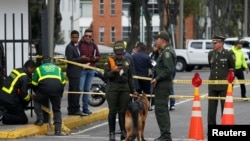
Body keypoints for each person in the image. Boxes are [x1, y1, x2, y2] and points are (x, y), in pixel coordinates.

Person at [104, 40, 137, 141]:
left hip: (124, 89)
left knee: (123, 112)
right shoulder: (109, 61)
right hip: (113, 88)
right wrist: (113, 71)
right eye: (117, 54)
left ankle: (123, 131)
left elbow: (130, 77)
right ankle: (112, 132)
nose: (119, 55)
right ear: (114, 52)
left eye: (121, 53)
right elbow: (106, 75)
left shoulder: (127, 61)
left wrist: (133, 90)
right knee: (112, 111)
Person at [151, 31, 176, 141]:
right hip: (161, 84)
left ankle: (166, 135)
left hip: (163, 84)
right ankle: (165, 134)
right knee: (162, 110)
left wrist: (157, 78)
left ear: (163, 40)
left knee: (161, 109)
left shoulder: (167, 53)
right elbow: (157, 65)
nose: (156, 41)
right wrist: (156, 53)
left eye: (158, 39)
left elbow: (168, 69)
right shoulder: (163, 52)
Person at [32, 56, 66, 135]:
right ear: (50, 61)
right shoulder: (58, 68)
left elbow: (34, 84)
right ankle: (58, 130)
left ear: (42, 62)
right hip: (57, 88)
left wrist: (37, 93)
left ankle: (40, 119)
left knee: (37, 101)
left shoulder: (38, 69)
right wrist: (59, 93)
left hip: (44, 88)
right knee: (56, 109)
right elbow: (63, 82)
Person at [207, 35, 235, 125]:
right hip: (212, 85)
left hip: (224, 86)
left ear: (221, 43)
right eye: (213, 43)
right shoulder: (211, 54)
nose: (213, 44)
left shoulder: (229, 54)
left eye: (215, 43)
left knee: (225, 109)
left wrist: (230, 85)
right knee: (211, 110)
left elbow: (232, 69)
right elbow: (211, 67)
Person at [0, 60, 36, 124]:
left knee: (16, 111)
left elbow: (15, 83)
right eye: (33, 70)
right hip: (10, 99)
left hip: (2, 96)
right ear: (29, 68)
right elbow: (24, 95)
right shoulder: (24, 77)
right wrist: (30, 97)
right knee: (23, 119)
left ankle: (6, 116)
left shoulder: (16, 70)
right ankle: (3, 115)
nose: (32, 72)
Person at [78, 28, 100, 115]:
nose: (88, 37)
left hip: (91, 69)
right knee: (80, 89)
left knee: (87, 89)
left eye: (89, 36)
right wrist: (82, 58)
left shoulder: (94, 45)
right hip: (82, 69)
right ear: (84, 35)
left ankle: (85, 108)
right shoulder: (80, 44)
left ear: (91, 37)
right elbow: (76, 56)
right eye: (86, 36)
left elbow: (98, 56)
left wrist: (95, 58)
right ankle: (76, 108)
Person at [65, 30, 85, 116]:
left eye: (76, 37)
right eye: (73, 37)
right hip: (73, 72)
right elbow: (70, 60)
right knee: (75, 91)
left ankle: (72, 109)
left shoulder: (77, 46)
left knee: (74, 90)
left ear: (78, 37)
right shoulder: (69, 47)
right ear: (71, 37)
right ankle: (75, 109)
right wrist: (81, 59)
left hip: (78, 71)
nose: (75, 39)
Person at [131, 42, 153, 108]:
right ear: (145, 50)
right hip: (145, 78)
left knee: (137, 92)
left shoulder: (133, 56)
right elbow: (153, 65)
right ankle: (147, 106)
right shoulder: (147, 57)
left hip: (136, 78)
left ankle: (136, 106)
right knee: (147, 92)